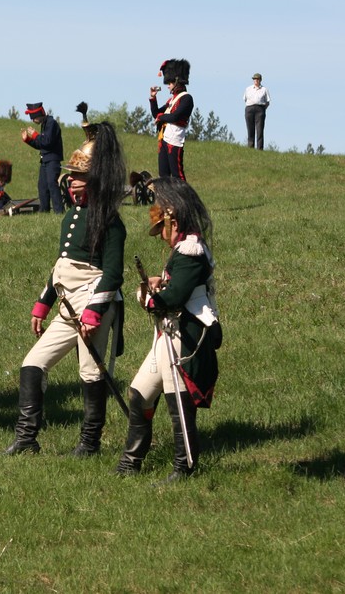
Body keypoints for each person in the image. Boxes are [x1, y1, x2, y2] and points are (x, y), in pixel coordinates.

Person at [3, 122, 127, 456]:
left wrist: (94, 311)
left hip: (92, 301)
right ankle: (26, 440)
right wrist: (43, 303)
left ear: (94, 179)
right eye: (71, 175)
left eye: (78, 175)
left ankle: (90, 443)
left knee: (90, 372)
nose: (70, 180)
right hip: (67, 302)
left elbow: (113, 274)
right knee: (33, 363)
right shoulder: (71, 216)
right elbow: (62, 265)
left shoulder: (110, 221)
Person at [116, 177, 221, 481]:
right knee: (139, 393)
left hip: (185, 335)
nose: (160, 235)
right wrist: (157, 285)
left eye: (161, 226)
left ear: (172, 220)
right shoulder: (182, 251)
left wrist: (151, 298)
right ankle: (130, 463)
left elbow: (175, 298)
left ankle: (184, 468)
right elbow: (174, 289)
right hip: (170, 333)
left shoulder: (190, 250)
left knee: (179, 403)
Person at [150, 59, 193, 181]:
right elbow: (156, 114)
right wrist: (153, 98)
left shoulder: (187, 98)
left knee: (177, 175)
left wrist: (160, 117)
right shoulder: (171, 100)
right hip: (164, 137)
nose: (168, 85)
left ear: (177, 82)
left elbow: (174, 117)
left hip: (175, 138)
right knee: (163, 176)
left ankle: (185, 194)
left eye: (170, 82)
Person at [22, 102, 65, 214]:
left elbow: (47, 141)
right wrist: (28, 140)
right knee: (42, 186)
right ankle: (44, 210)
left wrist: (35, 135)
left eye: (33, 118)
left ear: (38, 115)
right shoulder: (45, 124)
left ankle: (59, 211)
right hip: (45, 160)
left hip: (53, 160)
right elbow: (41, 144)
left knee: (52, 184)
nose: (32, 120)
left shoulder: (51, 123)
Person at [243, 73, 271, 150]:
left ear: (260, 80)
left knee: (260, 129)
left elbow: (267, 102)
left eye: (257, 79)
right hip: (249, 108)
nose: (256, 80)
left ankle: (260, 149)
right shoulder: (248, 89)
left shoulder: (264, 89)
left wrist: (262, 109)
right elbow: (245, 99)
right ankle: (250, 147)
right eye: (254, 79)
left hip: (260, 109)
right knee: (250, 129)